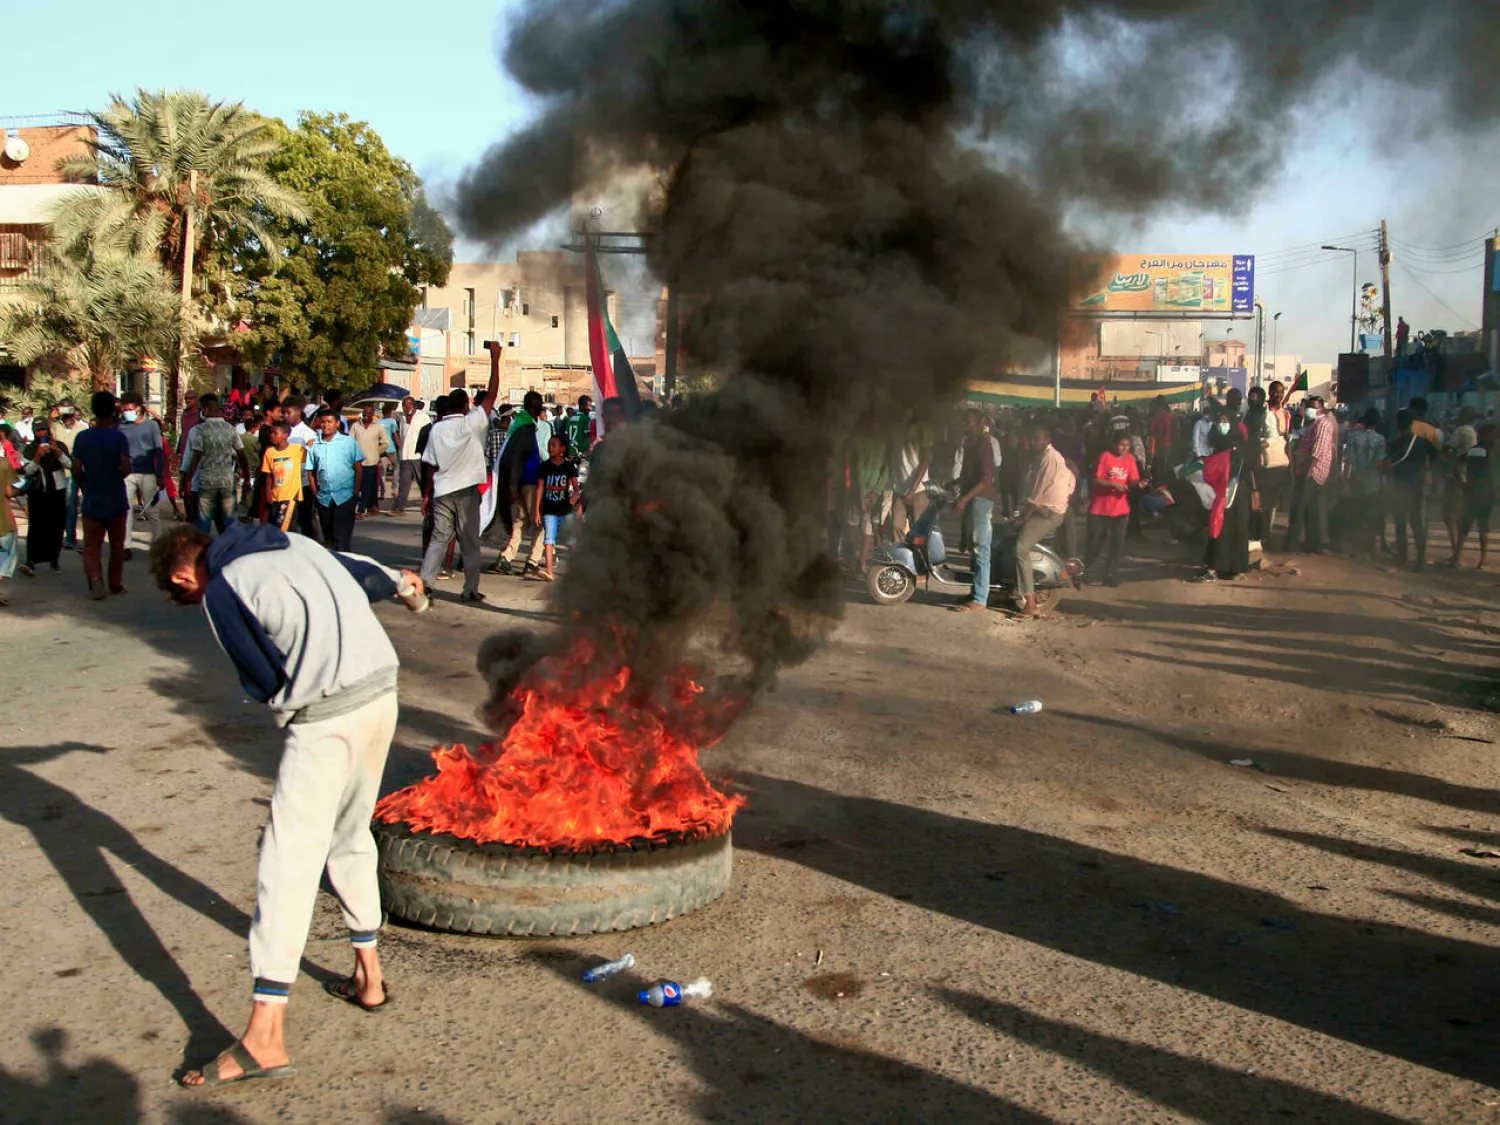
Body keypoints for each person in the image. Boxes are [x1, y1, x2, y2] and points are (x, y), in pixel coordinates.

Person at [149, 521, 425, 1089]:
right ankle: (368, 976)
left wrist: (292, 701)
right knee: (350, 837)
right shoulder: (290, 540)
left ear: (182, 573)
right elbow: (369, 574)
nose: (195, 598)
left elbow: (263, 676)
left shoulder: (224, 585)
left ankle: (265, 1036)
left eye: (185, 592)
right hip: (382, 692)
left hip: (328, 717)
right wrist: (408, 588)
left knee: (287, 864)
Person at [419, 350, 500, 602]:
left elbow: (431, 465)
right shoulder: (472, 422)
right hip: (466, 491)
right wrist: (495, 359)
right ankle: (470, 589)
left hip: (442, 490)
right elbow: (491, 395)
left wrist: (426, 495)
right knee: (469, 542)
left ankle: (425, 583)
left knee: (438, 539)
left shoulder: (437, 429)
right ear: (466, 405)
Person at [1008, 422, 1074, 618]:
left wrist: (1023, 516)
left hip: (1047, 512)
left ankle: (1030, 603)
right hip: (1052, 509)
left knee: (1020, 548)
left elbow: (1036, 496)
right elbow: (1071, 480)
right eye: (1033, 438)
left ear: (1047, 440)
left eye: (1038, 439)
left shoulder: (1048, 459)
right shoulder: (1048, 457)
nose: (1034, 442)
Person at [72, 390, 133, 600]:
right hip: (116, 498)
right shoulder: (119, 437)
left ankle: (96, 578)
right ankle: (115, 584)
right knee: (117, 546)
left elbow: (77, 468)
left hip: (92, 498)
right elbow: (126, 468)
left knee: (91, 546)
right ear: (112, 411)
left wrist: (84, 483)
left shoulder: (82, 438)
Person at [490, 392, 548, 577]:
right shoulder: (526, 428)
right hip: (529, 481)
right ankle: (532, 561)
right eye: (540, 403)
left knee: (521, 520)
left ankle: (505, 558)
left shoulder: (520, 423)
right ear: (533, 405)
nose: (542, 406)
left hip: (523, 480)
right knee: (541, 522)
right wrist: (512, 487)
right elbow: (516, 458)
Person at [1192, 412, 1251, 582]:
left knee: (1235, 531)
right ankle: (1217, 567)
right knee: (1221, 530)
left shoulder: (1239, 448)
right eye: (1219, 420)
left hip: (1236, 494)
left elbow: (1248, 468)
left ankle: (1234, 568)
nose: (1221, 423)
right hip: (1222, 494)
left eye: (1225, 420)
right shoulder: (1217, 446)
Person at [951, 410, 999, 612]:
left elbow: (985, 480)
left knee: (981, 548)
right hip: (973, 498)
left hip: (981, 499)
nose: (965, 424)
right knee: (972, 547)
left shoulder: (983, 445)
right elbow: (967, 475)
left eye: (968, 422)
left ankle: (980, 599)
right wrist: (950, 484)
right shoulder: (969, 444)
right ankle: (975, 592)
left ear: (980, 424)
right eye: (963, 421)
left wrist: (964, 499)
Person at [181, 394, 248, 535]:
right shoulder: (230, 429)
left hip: (206, 481)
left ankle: (203, 552)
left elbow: (195, 456)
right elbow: (241, 454)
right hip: (226, 482)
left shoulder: (200, 430)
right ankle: (230, 550)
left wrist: (187, 480)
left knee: (204, 521)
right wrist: (246, 477)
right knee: (229, 520)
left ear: (205, 410)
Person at [1084, 431, 1140, 587]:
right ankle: (1086, 571)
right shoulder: (1105, 457)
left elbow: (1133, 479)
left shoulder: (1130, 459)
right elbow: (1095, 479)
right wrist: (1112, 484)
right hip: (1100, 508)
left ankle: (1110, 573)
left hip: (1120, 509)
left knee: (1117, 544)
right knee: (1095, 543)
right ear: (1114, 444)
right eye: (1121, 445)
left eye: (1127, 446)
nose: (1124, 449)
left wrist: (1137, 483)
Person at [307, 409, 365, 551]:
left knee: (342, 538)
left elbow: (358, 468)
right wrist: (316, 494)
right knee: (329, 538)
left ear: (337, 424)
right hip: (324, 498)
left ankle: (345, 566)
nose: (325, 425)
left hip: (345, 496)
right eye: (323, 421)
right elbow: (311, 472)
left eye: (329, 422)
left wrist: (355, 492)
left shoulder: (348, 442)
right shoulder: (314, 445)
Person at [21, 418, 72, 574]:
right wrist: (37, 456)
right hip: (38, 491)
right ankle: (31, 560)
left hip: (57, 491)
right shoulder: (30, 449)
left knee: (56, 527)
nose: (42, 433)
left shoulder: (59, 446)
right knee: (36, 526)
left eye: (44, 429)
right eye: (38, 431)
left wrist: (58, 452)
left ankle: (54, 559)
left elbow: (70, 465)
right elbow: (27, 471)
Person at [1385, 409, 1434, 570]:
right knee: (1417, 524)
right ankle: (1420, 559)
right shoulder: (1422, 442)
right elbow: (1437, 458)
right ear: (1412, 424)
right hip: (1416, 488)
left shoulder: (1393, 444)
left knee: (1400, 523)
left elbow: (1388, 465)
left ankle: (1402, 556)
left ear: (1397, 424)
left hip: (1399, 487)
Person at [119, 390, 166, 558]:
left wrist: (161, 474)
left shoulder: (151, 426)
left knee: (152, 511)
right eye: (124, 410)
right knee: (126, 510)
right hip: (127, 474)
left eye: (129, 409)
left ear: (138, 408)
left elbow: (159, 451)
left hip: (147, 473)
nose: (127, 413)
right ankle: (125, 546)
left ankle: (158, 545)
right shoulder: (121, 426)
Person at [1289, 395, 1337, 553]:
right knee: (1310, 510)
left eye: (1313, 407)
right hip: (1305, 470)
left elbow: (1317, 453)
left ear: (1321, 409)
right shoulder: (1313, 424)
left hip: (1314, 473)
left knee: (1308, 509)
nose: (1309, 410)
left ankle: (1307, 543)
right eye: (1308, 406)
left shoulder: (1323, 424)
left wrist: (1307, 472)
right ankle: (1310, 543)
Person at [1450, 417, 1494, 568]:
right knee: (1483, 526)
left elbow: (1455, 465)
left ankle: (1457, 557)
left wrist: (1462, 484)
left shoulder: (1472, 451)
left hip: (1470, 491)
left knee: (1465, 526)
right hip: (1486, 492)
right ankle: (1482, 560)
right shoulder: (1492, 452)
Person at [1342, 408, 1387, 559]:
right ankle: (1370, 548)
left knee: (1356, 515)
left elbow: (1348, 460)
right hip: (1373, 483)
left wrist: (1347, 480)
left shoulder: (1352, 436)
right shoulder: (1380, 439)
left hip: (1355, 481)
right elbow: (1379, 462)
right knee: (1371, 516)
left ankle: (1355, 546)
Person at [534, 433, 579, 581]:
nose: (550, 447)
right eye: (550, 444)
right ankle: (549, 571)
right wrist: (537, 511)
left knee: (571, 540)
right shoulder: (544, 467)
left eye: (554, 445)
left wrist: (574, 496)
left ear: (563, 448)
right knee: (549, 539)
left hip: (565, 510)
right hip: (549, 510)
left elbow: (576, 487)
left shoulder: (569, 467)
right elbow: (540, 489)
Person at [260, 422, 308, 533]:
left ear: (286, 435)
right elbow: (268, 475)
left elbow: (310, 459)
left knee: (284, 528)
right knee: (276, 528)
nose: (271, 435)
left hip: (291, 497)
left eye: (275, 433)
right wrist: (268, 494)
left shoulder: (297, 449)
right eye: (271, 432)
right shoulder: (269, 452)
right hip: (276, 496)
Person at [350, 404, 393, 519]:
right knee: (361, 486)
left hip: (371, 461)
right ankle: (372, 506)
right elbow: (350, 442)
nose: (366, 416)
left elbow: (386, 442)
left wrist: (377, 451)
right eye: (364, 413)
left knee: (369, 486)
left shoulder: (378, 427)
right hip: (358, 463)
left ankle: (362, 509)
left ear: (373, 415)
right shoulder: (355, 426)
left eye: (369, 413)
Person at [889, 423, 931, 541]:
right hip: (900, 489)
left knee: (919, 528)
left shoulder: (919, 443)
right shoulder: (897, 441)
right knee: (897, 526)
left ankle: (919, 553)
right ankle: (901, 554)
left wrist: (913, 489)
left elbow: (924, 465)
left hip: (919, 490)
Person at [56, 402, 88, 550]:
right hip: (56, 471)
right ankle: (57, 535)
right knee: (58, 505)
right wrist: (52, 416)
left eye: (70, 412)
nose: (68, 416)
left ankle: (70, 537)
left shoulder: (82, 429)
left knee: (71, 503)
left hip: (73, 471)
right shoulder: (55, 427)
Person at [393, 397, 430, 515]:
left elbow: (428, 434)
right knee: (404, 483)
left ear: (413, 406)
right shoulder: (402, 419)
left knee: (423, 482)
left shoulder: (423, 417)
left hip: (418, 456)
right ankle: (399, 508)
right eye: (404, 405)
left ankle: (428, 504)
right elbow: (400, 436)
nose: (405, 408)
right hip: (405, 456)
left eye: (408, 405)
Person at [564, 394, 593, 459]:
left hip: (571, 453)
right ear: (581, 406)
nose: (590, 409)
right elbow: (588, 437)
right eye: (589, 406)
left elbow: (566, 436)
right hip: (582, 453)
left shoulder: (571, 418)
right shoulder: (586, 418)